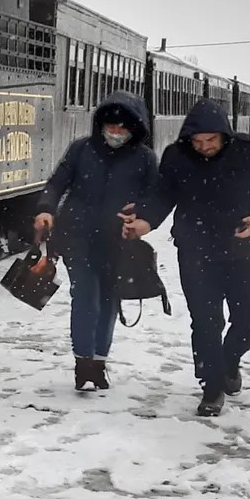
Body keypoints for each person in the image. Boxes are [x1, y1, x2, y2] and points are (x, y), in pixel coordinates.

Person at [122, 98, 250, 417]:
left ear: (225, 135)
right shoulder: (177, 156)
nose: (204, 147)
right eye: (197, 141)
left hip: (244, 251)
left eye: (210, 140)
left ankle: (228, 362)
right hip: (196, 251)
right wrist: (146, 221)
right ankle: (211, 387)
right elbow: (163, 194)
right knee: (206, 321)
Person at [34, 91, 158, 392]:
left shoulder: (145, 158)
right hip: (77, 236)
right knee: (85, 296)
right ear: (100, 125)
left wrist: (141, 216)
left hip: (118, 241)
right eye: (110, 126)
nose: (115, 133)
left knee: (109, 300)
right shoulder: (81, 149)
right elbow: (57, 183)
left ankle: (99, 363)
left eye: (122, 128)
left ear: (134, 129)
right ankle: (83, 363)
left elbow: (155, 196)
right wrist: (46, 209)